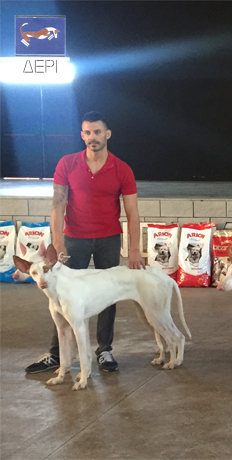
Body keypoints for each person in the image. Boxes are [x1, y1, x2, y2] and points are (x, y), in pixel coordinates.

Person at [25, 111, 145, 374]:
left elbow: (133, 213)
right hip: (74, 240)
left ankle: (104, 350)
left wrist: (135, 249)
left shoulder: (122, 168)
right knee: (60, 295)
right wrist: (58, 243)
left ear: (107, 134)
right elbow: (57, 206)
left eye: (98, 132)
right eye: (88, 132)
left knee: (109, 296)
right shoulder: (67, 163)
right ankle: (56, 354)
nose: (93, 137)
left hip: (108, 240)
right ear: (82, 135)